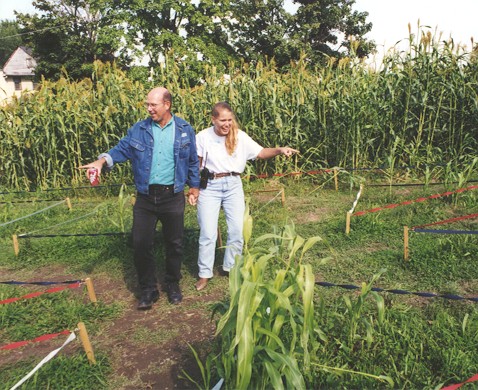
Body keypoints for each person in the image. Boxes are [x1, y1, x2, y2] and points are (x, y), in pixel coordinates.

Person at [80, 87, 200, 310]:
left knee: (174, 243)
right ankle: (148, 289)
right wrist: (102, 161)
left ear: (167, 105)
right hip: (146, 197)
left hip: (172, 196)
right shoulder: (140, 128)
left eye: (153, 104)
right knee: (141, 243)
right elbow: (122, 148)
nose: (149, 108)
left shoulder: (184, 129)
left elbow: (192, 160)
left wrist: (194, 187)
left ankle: (172, 284)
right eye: (147, 104)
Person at [194, 101, 298, 291]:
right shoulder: (202, 137)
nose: (227, 124)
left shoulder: (240, 136)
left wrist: (279, 150)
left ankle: (231, 268)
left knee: (236, 229)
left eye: (230, 120)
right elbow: (196, 164)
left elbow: (260, 152)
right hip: (209, 185)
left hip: (233, 185)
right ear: (213, 119)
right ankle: (204, 274)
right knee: (208, 232)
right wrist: (194, 188)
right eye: (222, 120)